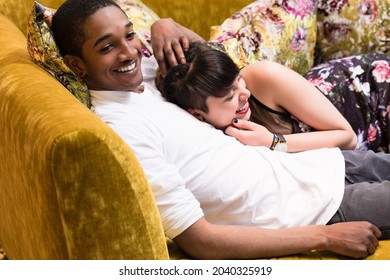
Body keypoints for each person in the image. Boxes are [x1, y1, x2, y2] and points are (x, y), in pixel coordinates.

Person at [50, 0, 390, 260]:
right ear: (76, 64)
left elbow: (215, 65)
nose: (129, 52)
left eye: (129, 34)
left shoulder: (148, 70)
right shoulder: (121, 129)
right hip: (321, 209)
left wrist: (164, 26)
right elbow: (200, 239)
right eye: (107, 47)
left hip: (325, 163)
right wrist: (324, 237)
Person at [158, 42, 390, 153]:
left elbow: (347, 137)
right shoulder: (205, 132)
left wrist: (273, 142)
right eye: (230, 96)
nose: (244, 93)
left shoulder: (262, 77)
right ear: (198, 115)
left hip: (375, 92)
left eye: (238, 79)